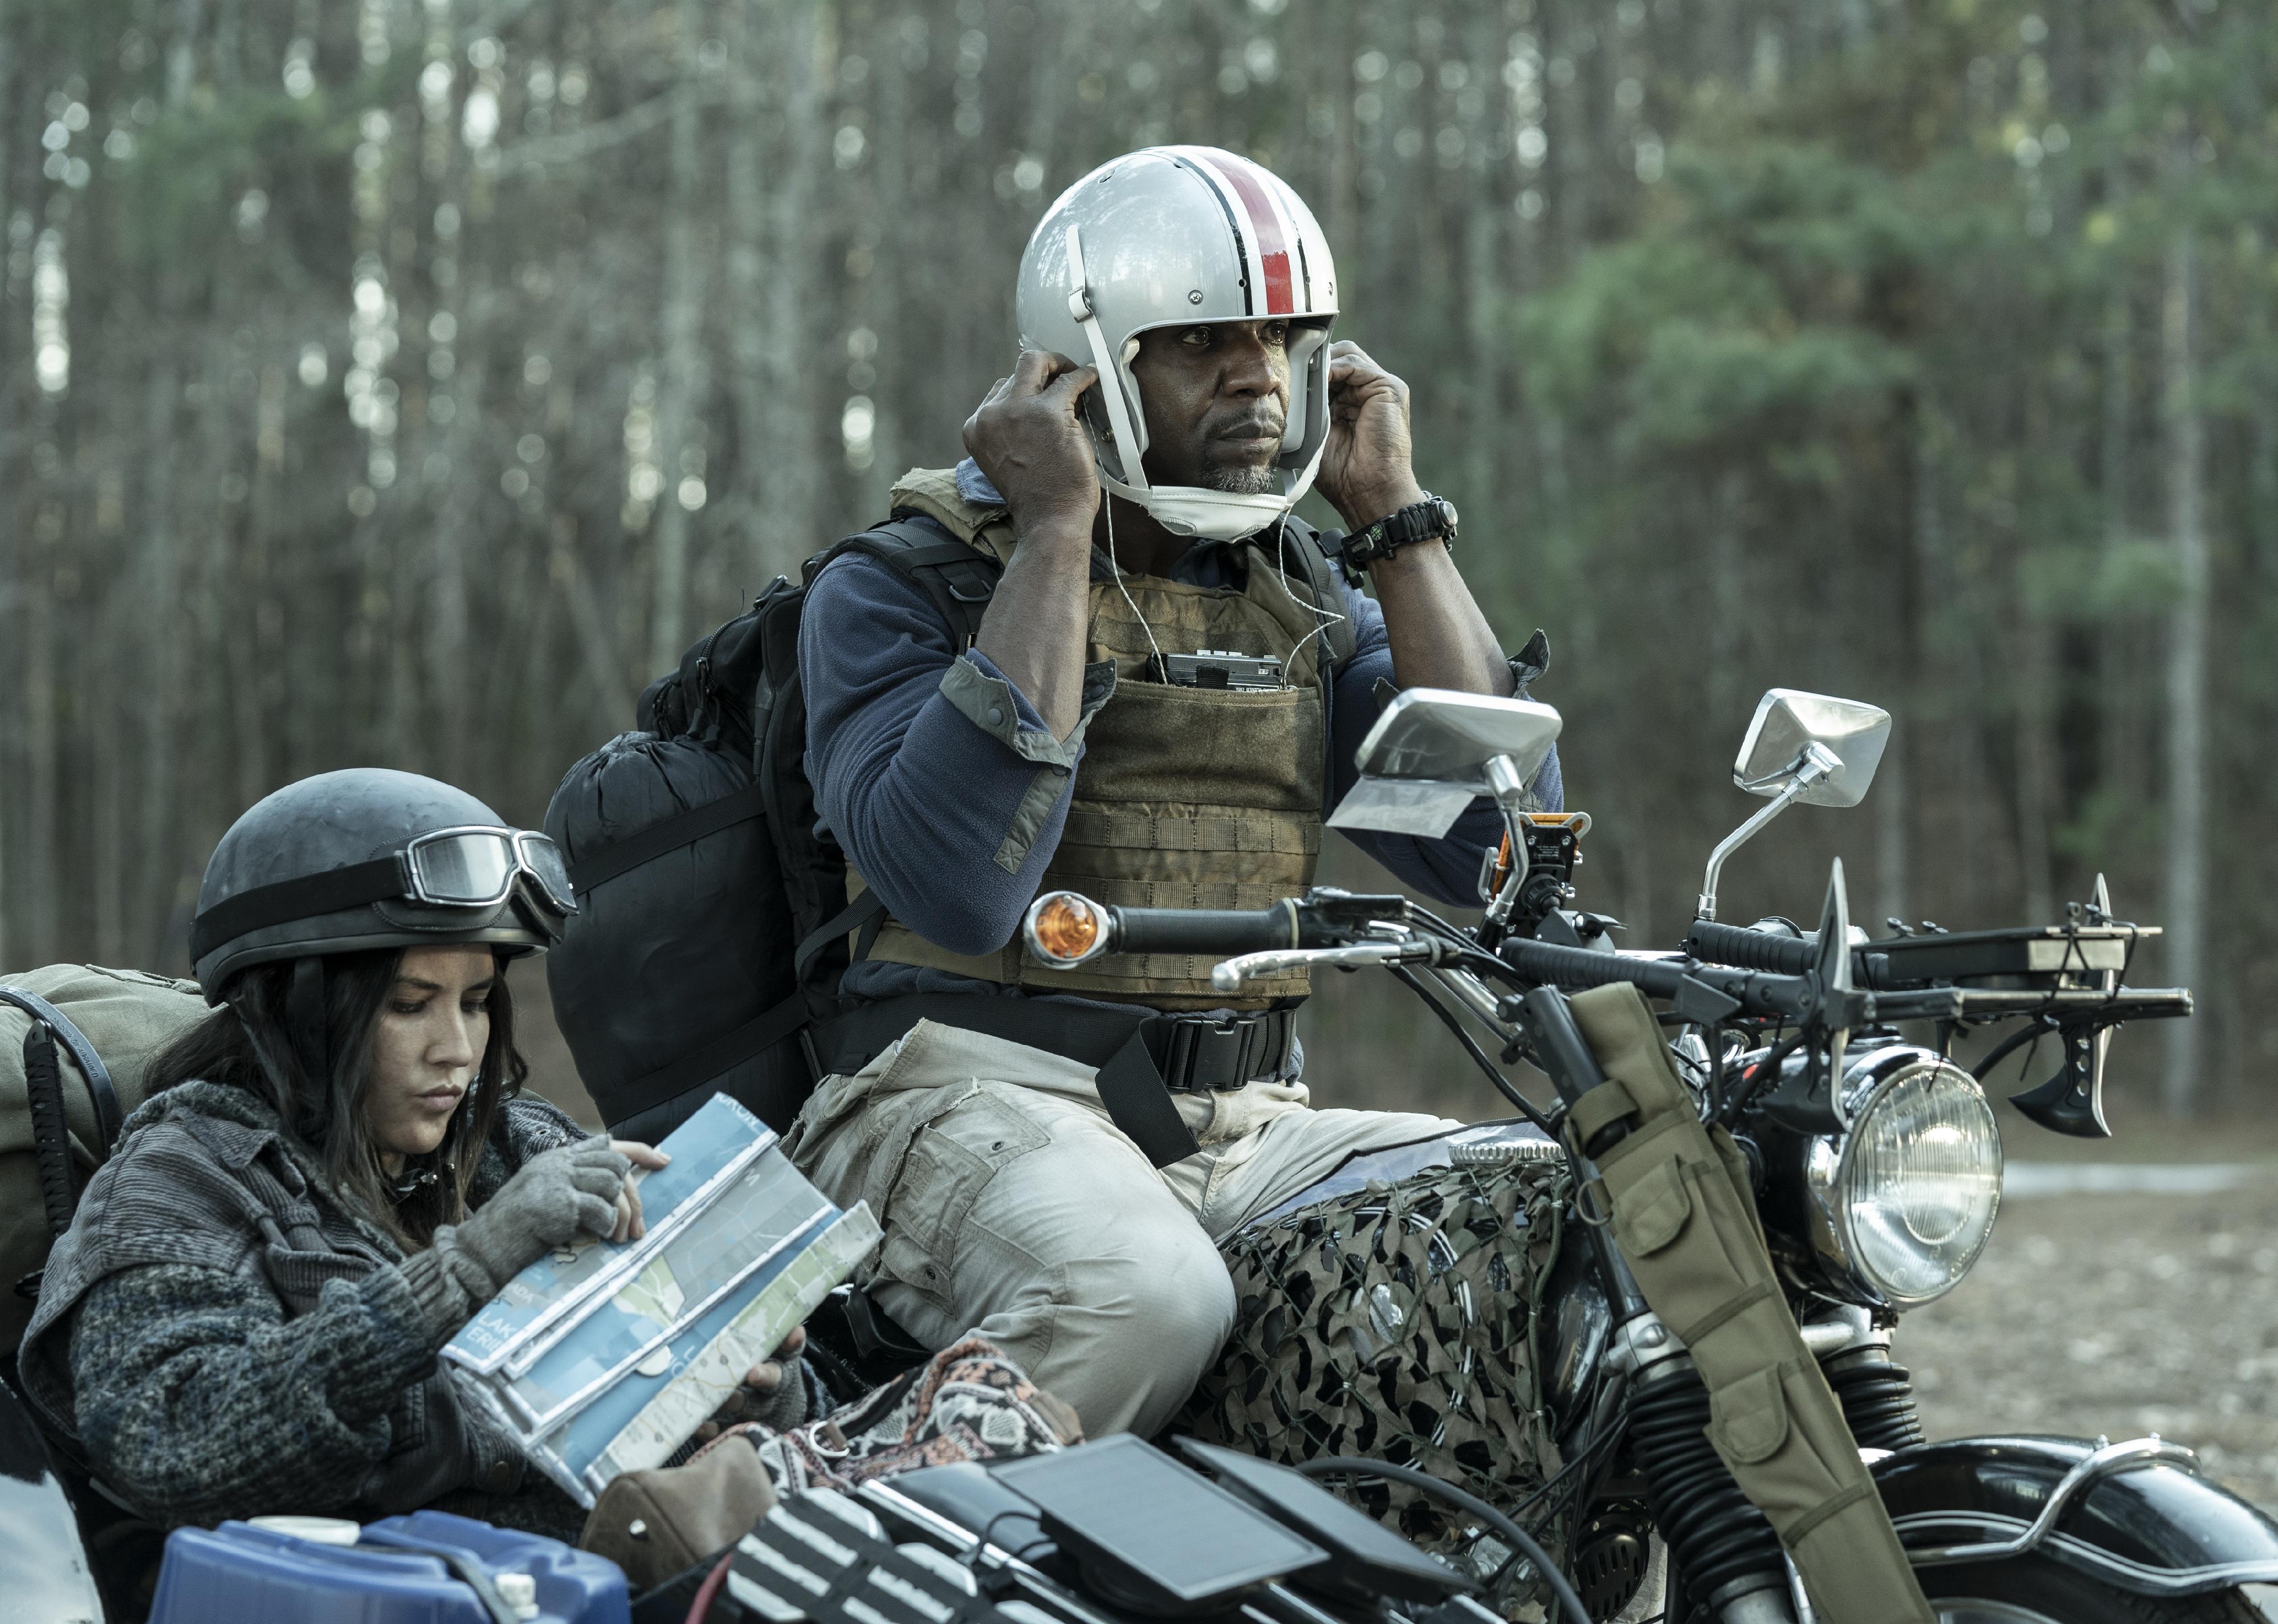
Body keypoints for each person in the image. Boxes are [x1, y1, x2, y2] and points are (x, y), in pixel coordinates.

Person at [784, 145, 1563, 1438]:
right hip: (952, 1099)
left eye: (1283, 341)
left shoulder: (1307, 590)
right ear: (1090, 370)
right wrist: (1053, 532)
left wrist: (1394, 511)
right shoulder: (899, 584)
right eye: (1203, 339)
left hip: (1250, 1120)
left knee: (1535, 1213)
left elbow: (1497, 851)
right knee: (1142, 1296)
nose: (1259, 375)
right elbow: (959, 887)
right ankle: (810, 1512)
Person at [16, 770, 812, 1537]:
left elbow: (693, 1408)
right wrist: (467, 1266)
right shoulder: (180, 1182)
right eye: (408, 1004)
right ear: (295, 1011)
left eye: (474, 1003)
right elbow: (175, 1444)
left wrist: (745, 1388)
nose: (458, 1050)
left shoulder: (514, 1142)